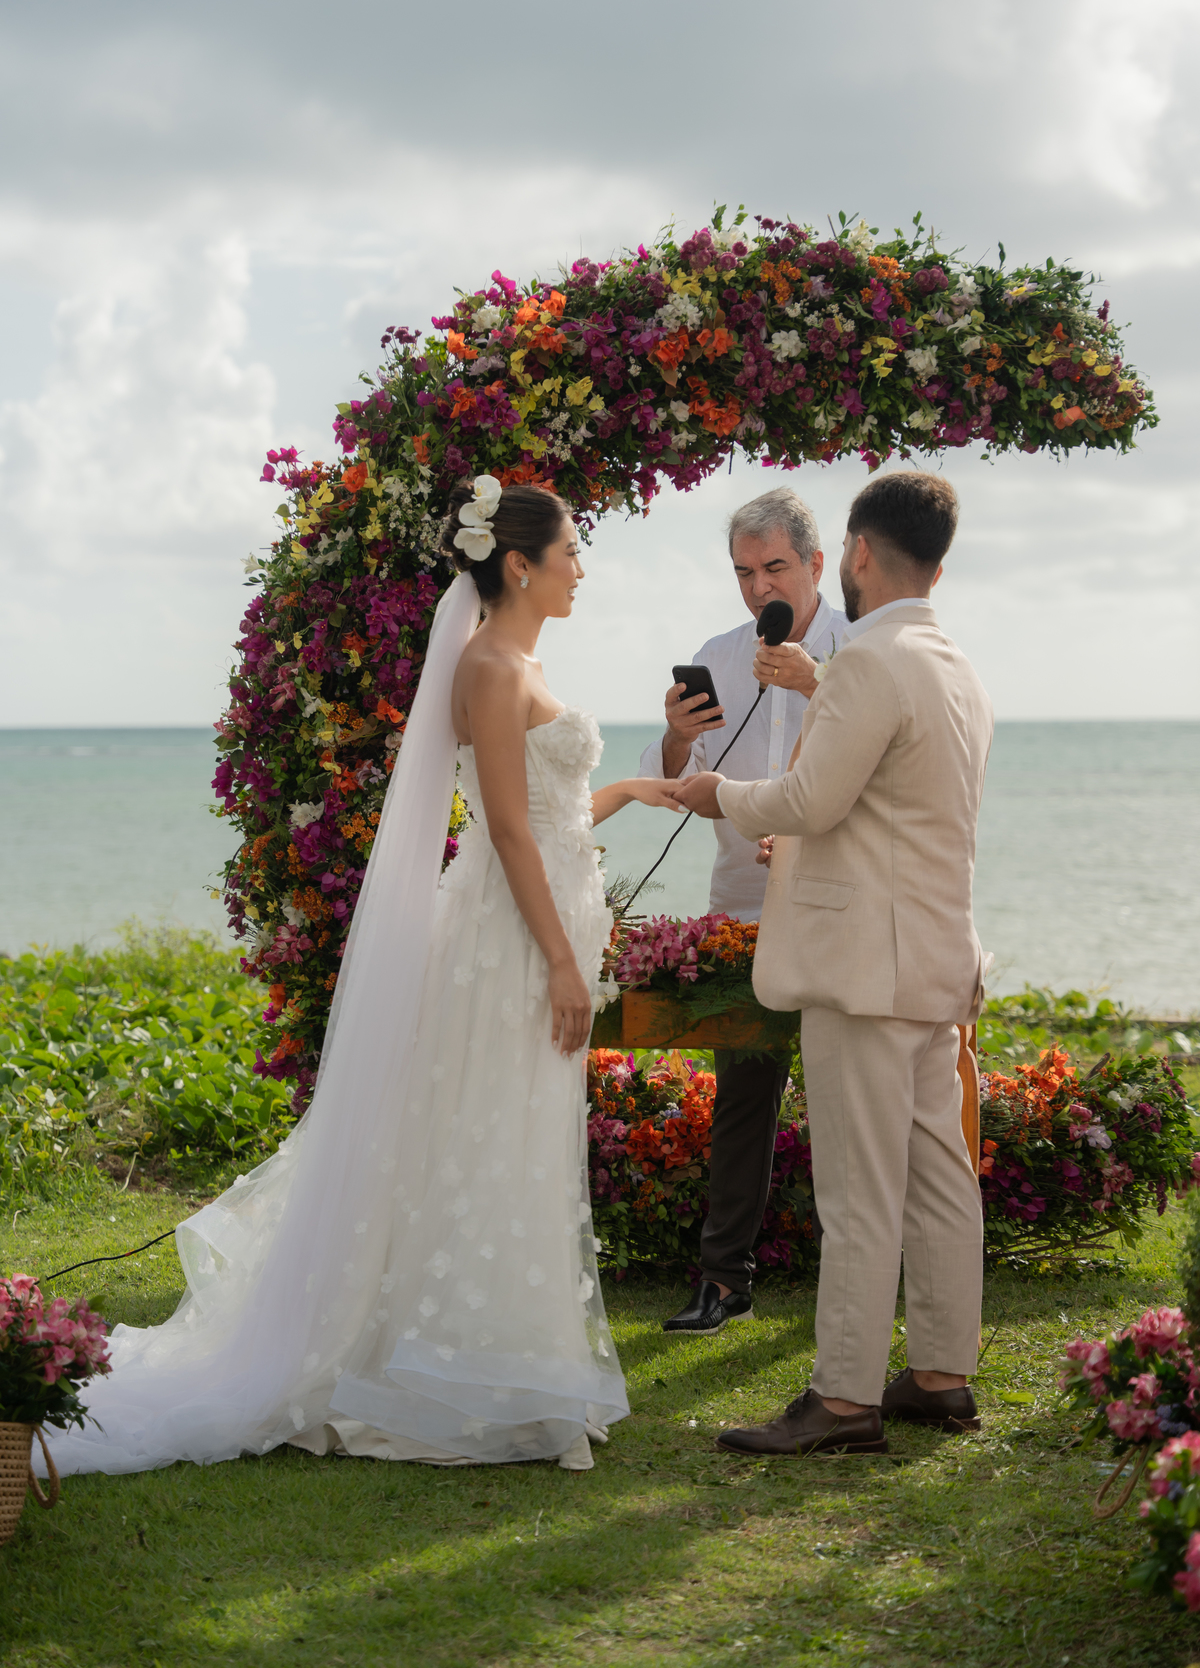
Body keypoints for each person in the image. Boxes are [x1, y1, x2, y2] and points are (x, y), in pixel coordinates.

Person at [40, 476, 683, 1478]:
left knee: (512, 1129)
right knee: (488, 1128)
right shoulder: (490, 667)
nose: (581, 571)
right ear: (520, 565)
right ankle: (451, 1365)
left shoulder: (519, 661)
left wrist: (636, 788)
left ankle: (503, 1361)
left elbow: (551, 817)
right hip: (512, 939)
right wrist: (563, 960)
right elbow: (507, 832)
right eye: (571, 554)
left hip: (536, 925)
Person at [670, 470, 992, 1457]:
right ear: (937, 562)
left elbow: (809, 801)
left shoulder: (865, 662)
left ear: (852, 553)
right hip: (936, 955)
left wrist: (719, 796)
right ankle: (940, 1374)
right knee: (939, 1176)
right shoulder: (956, 664)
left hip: (862, 967)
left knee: (856, 1191)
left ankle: (845, 1399)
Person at [638, 487, 847, 1336]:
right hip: (742, 911)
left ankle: (854, 1283)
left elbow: (880, 777)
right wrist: (676, 739)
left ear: (817, 564)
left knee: (846, 1101)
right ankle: (724, 1280)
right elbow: (676, 783)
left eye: (775, 568)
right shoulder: (719, 656)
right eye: (744, 572)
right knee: (742, 1102)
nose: (761, 587)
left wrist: (817, 685)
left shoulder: (861, 651)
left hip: (834, 911)